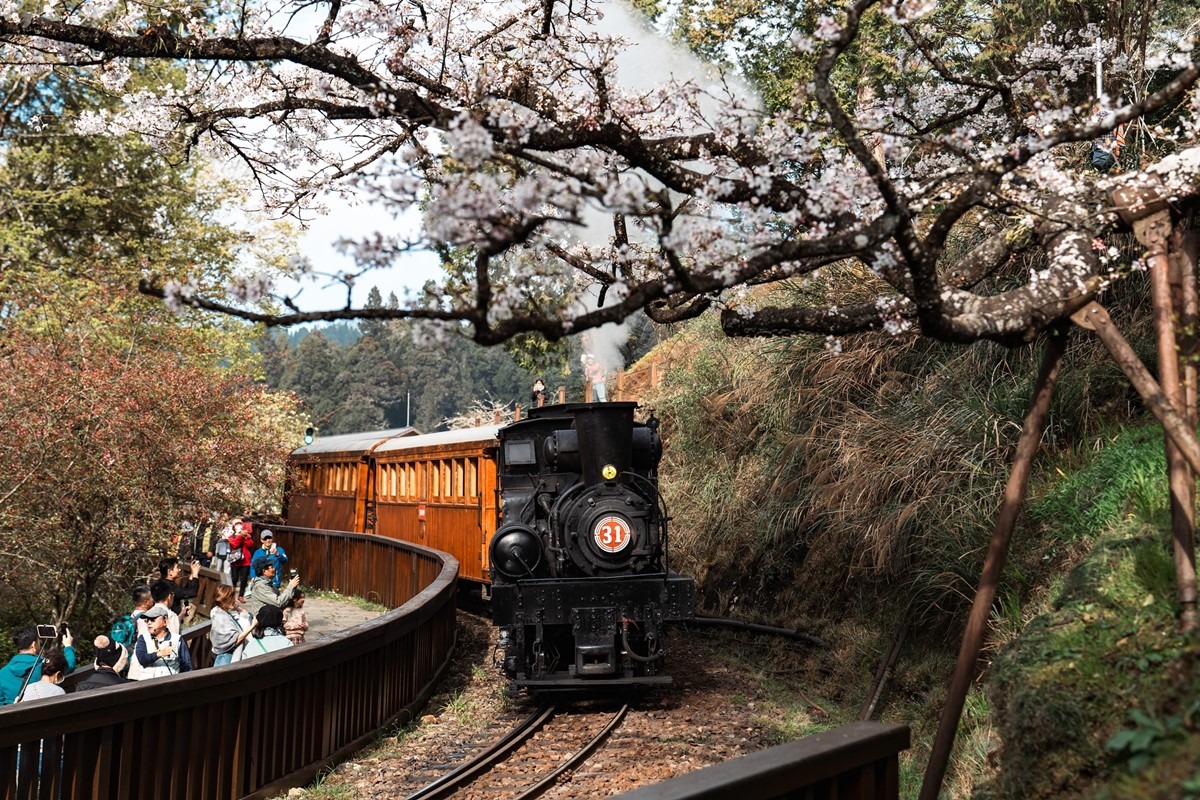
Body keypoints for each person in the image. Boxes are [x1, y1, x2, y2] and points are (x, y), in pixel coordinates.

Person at [0, 627, 76, 705]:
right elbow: (68, 666)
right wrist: (68, 647)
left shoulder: (2, 673)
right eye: (38, 641)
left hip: (12, 714)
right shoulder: (44, 666)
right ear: (34, 644)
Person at [133, 605, 193, 678]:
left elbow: (186, 665)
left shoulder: (177, 640)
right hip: (147, 686)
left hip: (170, 686)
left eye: (152, 619)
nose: (149, 623)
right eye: (147, 620)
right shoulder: (143, 639)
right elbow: (142, 659)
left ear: (165, 621)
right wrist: (159, 654)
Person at [209, 585, 256, 666]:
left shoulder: (225, 612)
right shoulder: (220, 616)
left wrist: (237, 608)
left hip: (230, 656)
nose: (234, 600)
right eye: (232, 598)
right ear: (224, 599)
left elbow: (247, 615)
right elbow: (236, 640)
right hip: (226, 658)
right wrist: (253, 626)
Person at [228, 519, 255, 602]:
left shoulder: (247, 535)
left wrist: (246, 537)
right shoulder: (231, 537)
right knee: (234, 578)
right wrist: (240, 536)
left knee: (244, 579)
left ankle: (241, 595)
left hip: (245, 561)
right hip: (235, 560)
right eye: (237, 524)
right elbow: (235, 545)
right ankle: (231, 596)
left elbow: (250, 544)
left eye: (240, 524)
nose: (239, 526)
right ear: (234, 527)